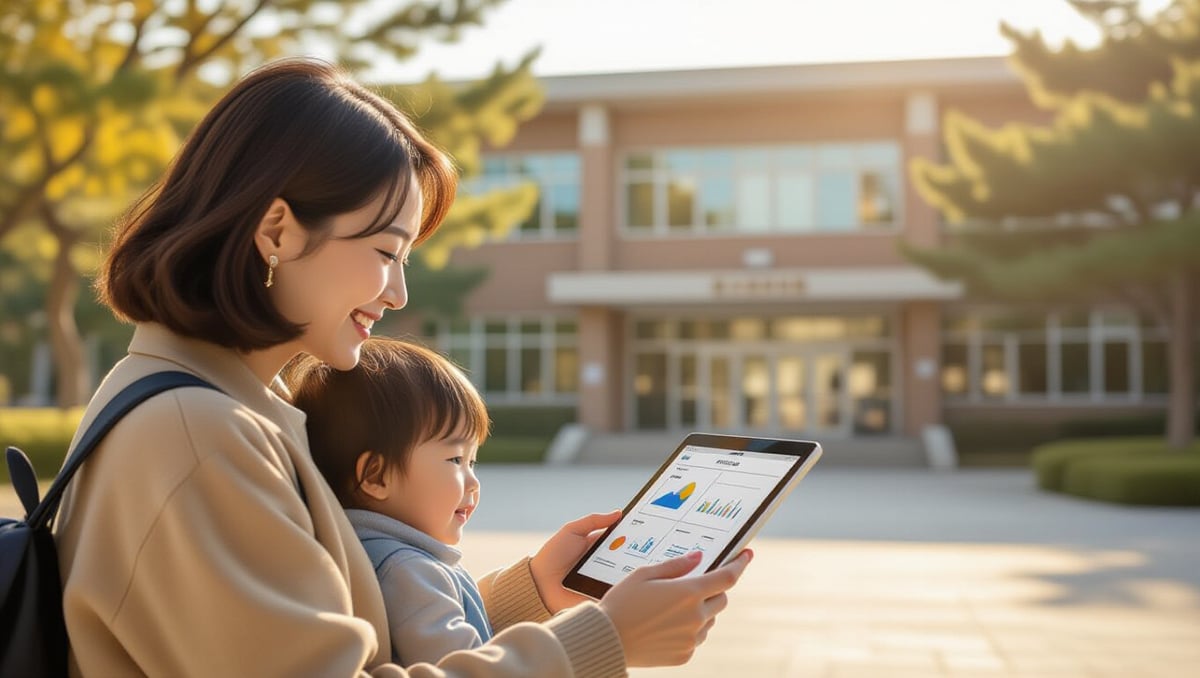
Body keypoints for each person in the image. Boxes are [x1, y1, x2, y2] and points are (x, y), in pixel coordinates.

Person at [54, 57, 752, 678]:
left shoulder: (221, 406)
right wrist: (600, 640)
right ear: (276, 231)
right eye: (387, 252)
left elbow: (345, 642)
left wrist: (531, 594)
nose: (398, 294)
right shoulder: (198, 434)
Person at [287, 337, 496, 665]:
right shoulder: (407, 571)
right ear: (376, 477)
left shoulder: (356, 551)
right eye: (455, 459)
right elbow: (471, 667)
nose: (473, 483)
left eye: (473, 462)